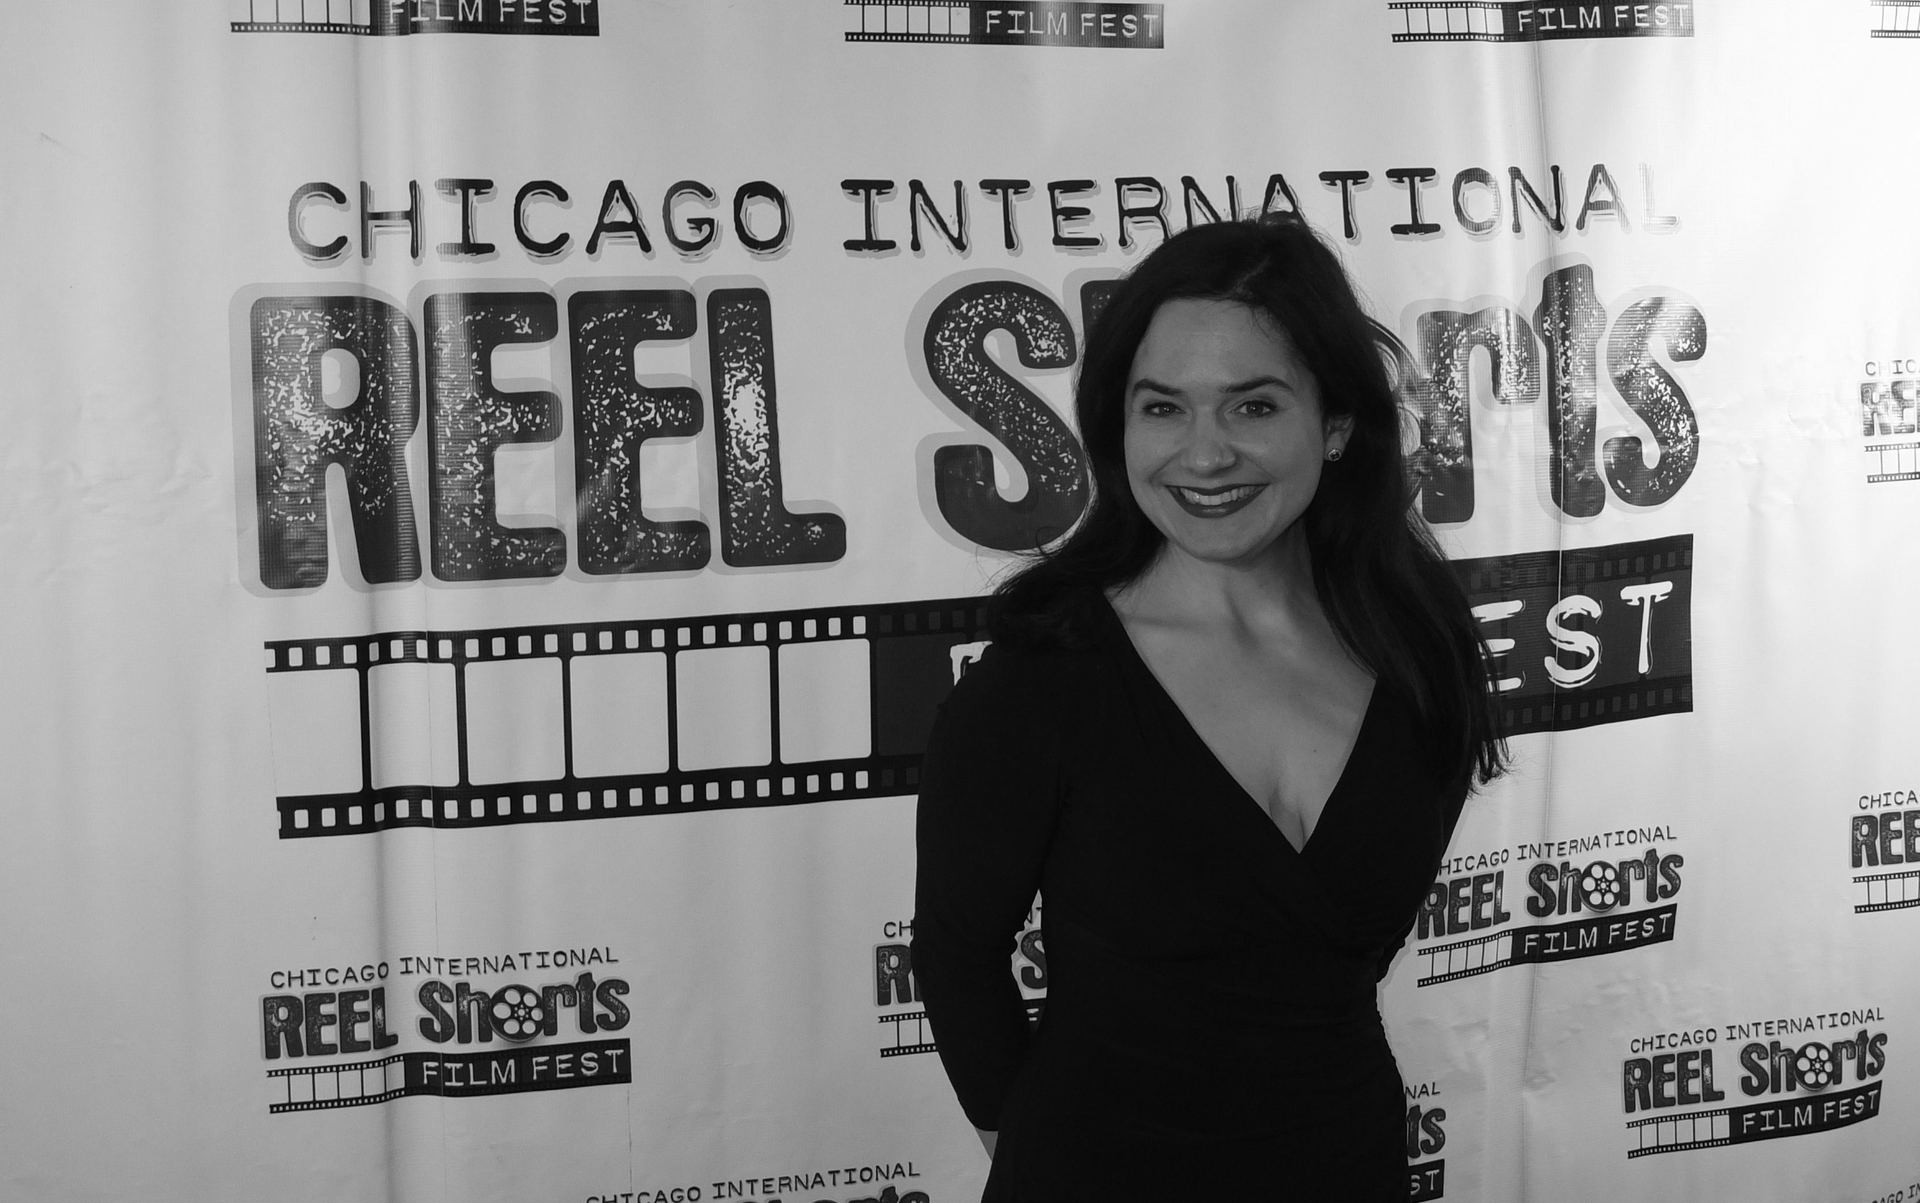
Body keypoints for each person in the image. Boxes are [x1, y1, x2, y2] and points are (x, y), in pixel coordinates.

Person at [911, 213, 1508, 1198]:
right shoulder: (1040, 682)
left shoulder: (1418, 648)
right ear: (1119, 428)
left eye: (1253, 407)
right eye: (1163, 409)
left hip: (1343, 1167)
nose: (1204, 454)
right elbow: (959, 964)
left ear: (1336, 424)